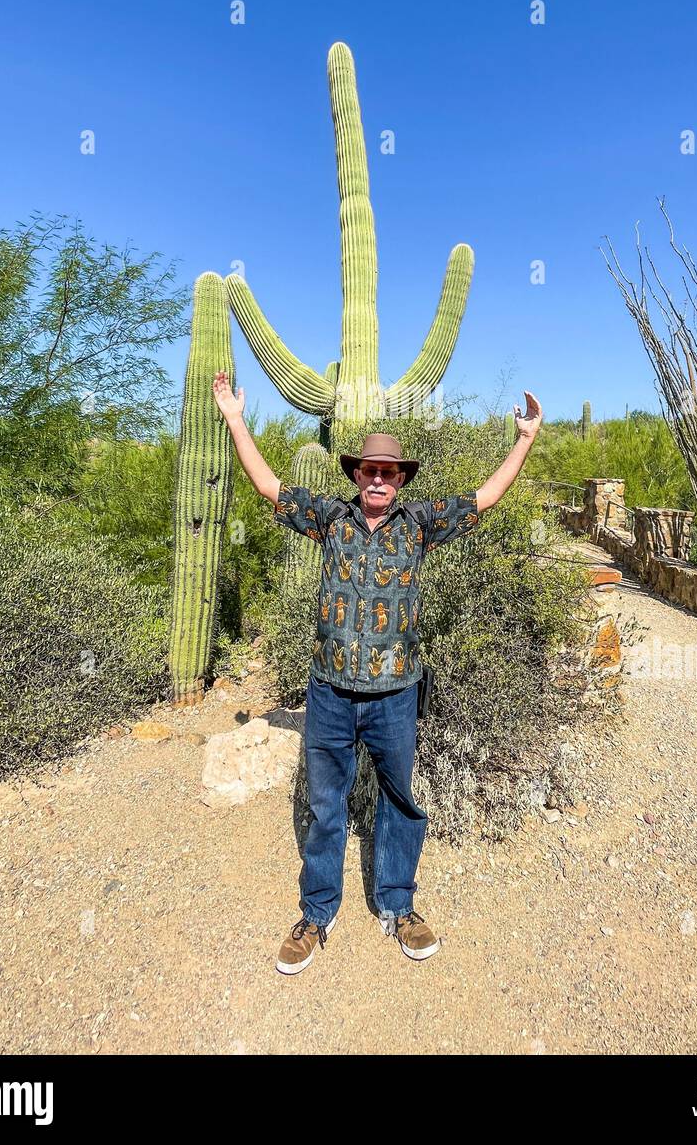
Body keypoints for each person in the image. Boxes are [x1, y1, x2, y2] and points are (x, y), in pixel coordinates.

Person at [212, 374, 543, 974]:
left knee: (398, 800)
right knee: (325, 804)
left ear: (401, 480)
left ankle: (398, 905)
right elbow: (268, 486)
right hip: (331, 690)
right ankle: (317, 914)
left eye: (389, 472)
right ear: (356, 474)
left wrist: (523, 440)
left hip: (395, 693)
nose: (379, 479)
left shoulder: (418, 525)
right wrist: (236, 416)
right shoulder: (329, 520)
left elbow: (484, 498)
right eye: (370, 470)